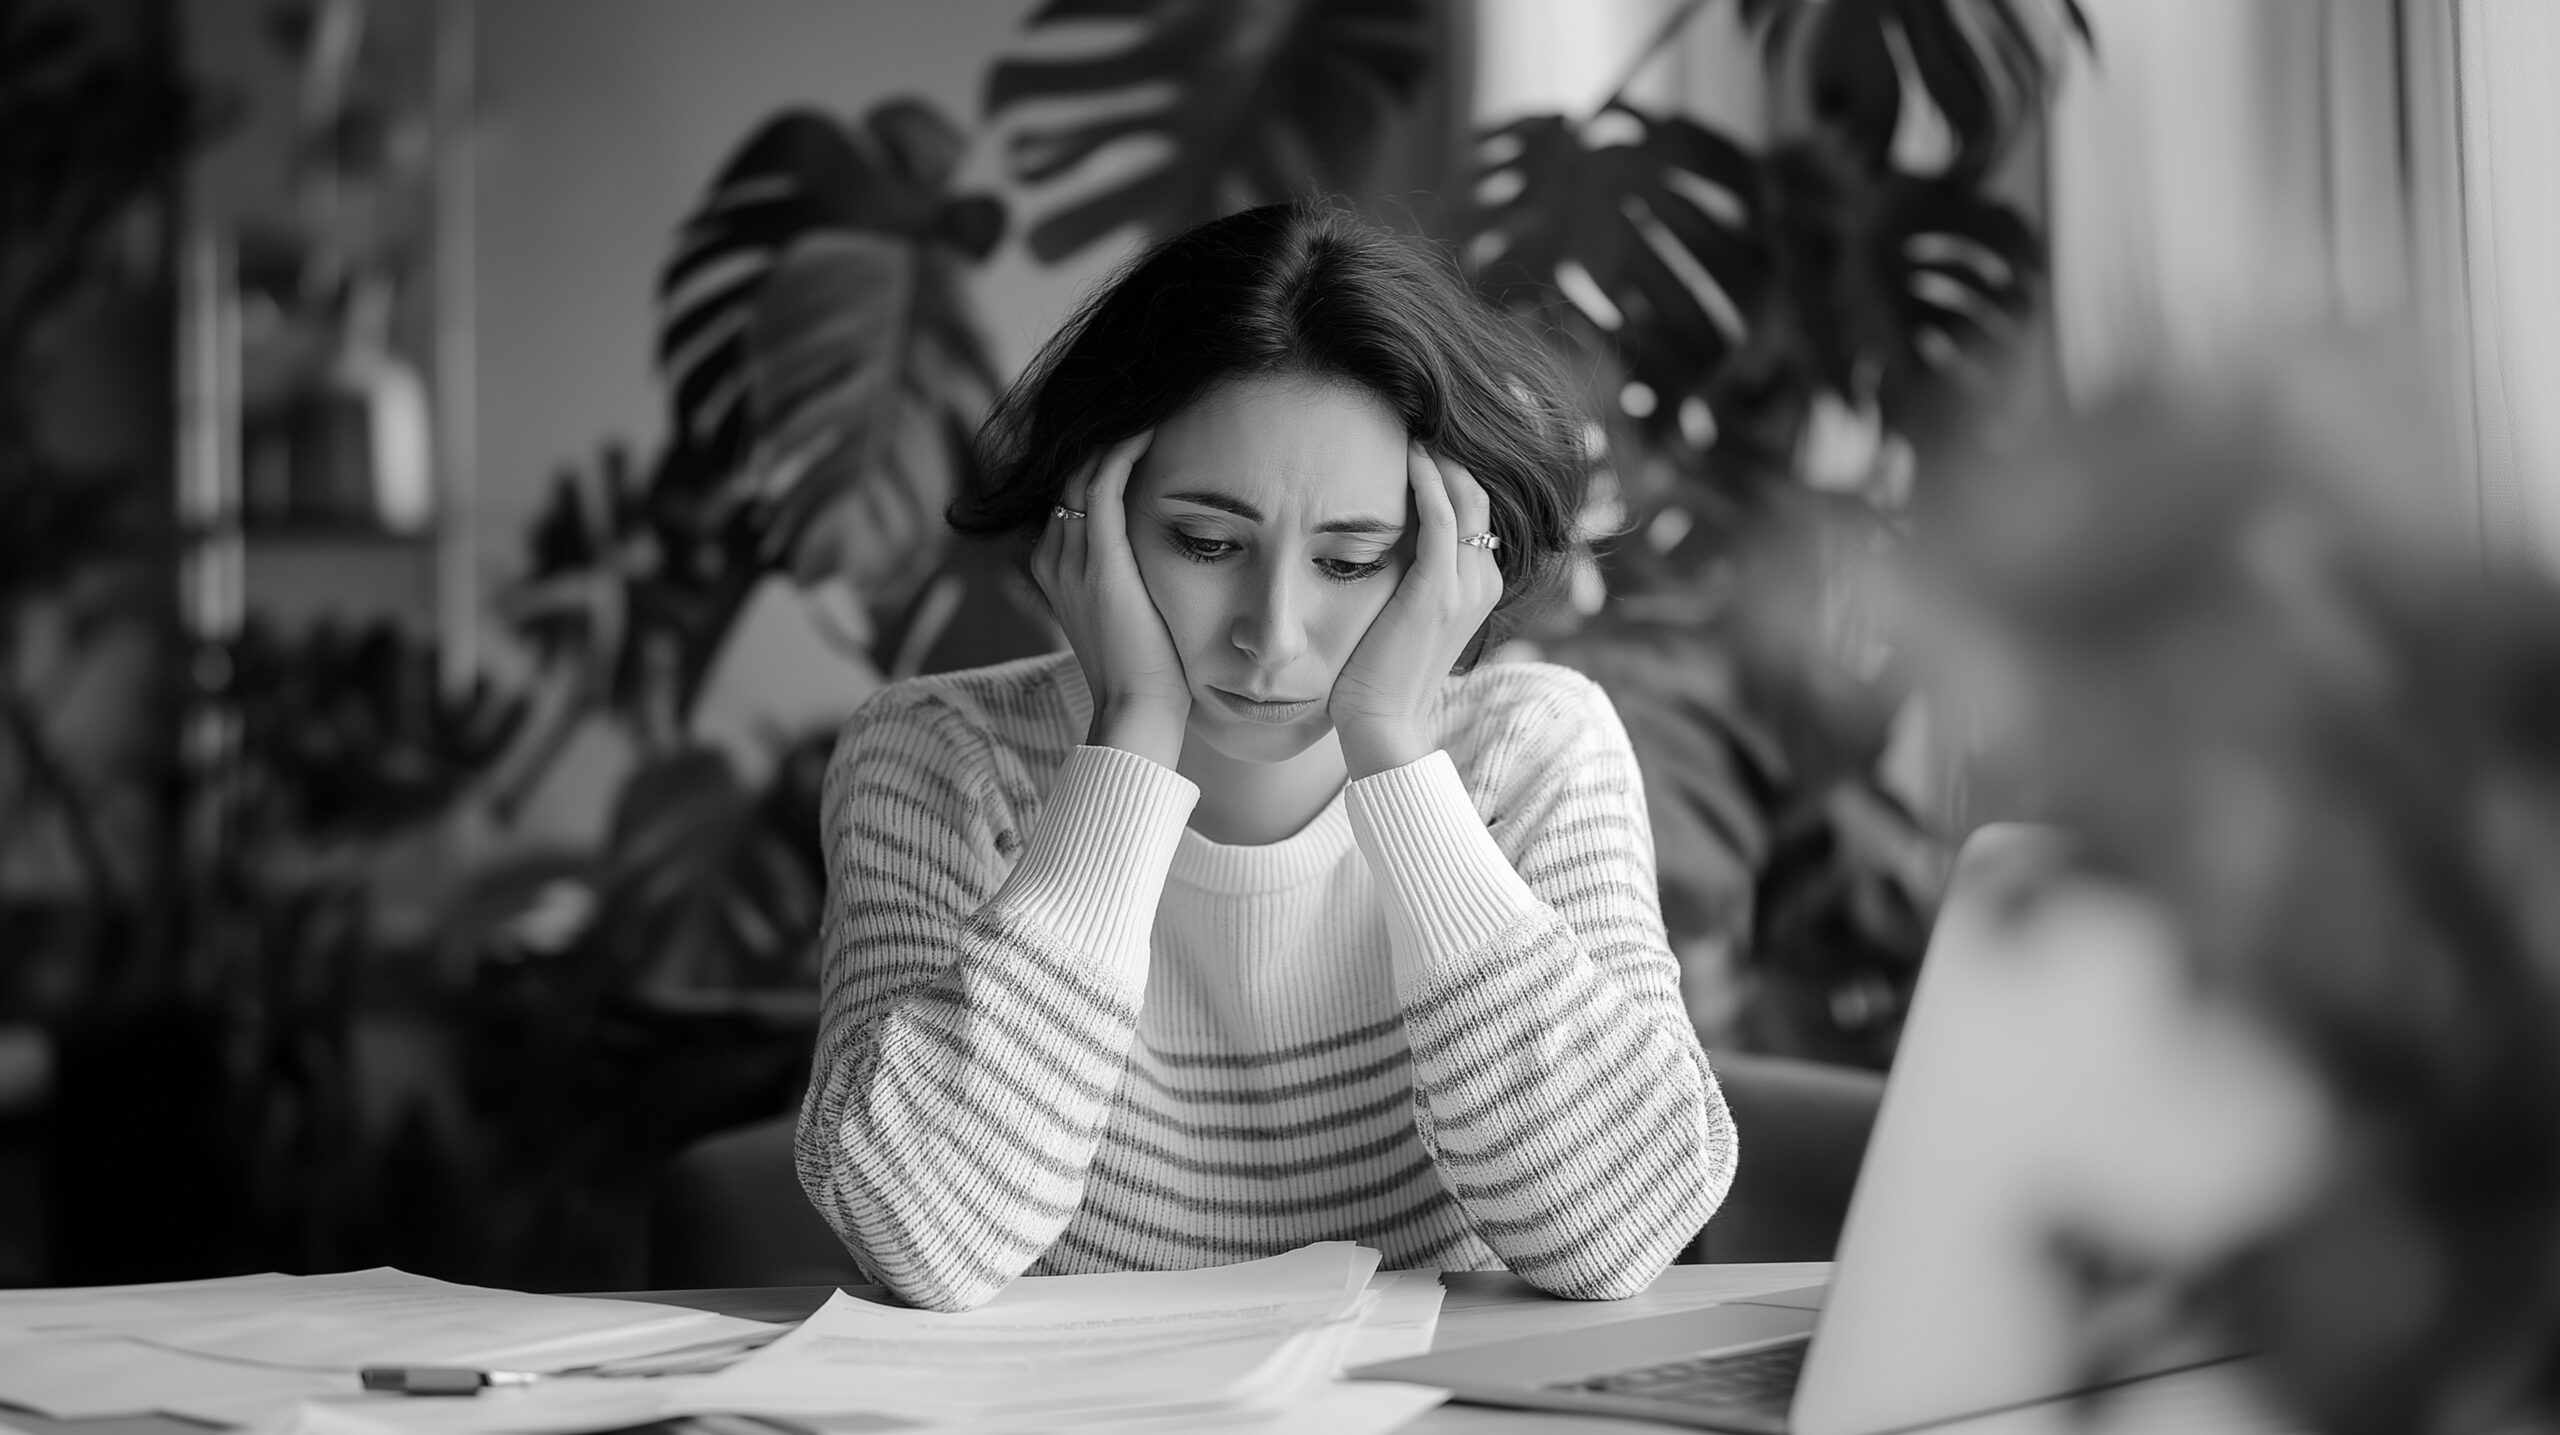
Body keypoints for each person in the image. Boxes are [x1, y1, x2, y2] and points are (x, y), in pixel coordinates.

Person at [796, 201, 1737, 1313]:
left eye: (1351, 559)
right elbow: (919, 1237)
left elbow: (1618, 1232)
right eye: (1206, 543)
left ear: (1447, 553)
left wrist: (1392, 752)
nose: (1272, 634)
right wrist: (1133, 735)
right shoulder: (938, 757)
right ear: (1085, 517)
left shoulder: (1532, 750)